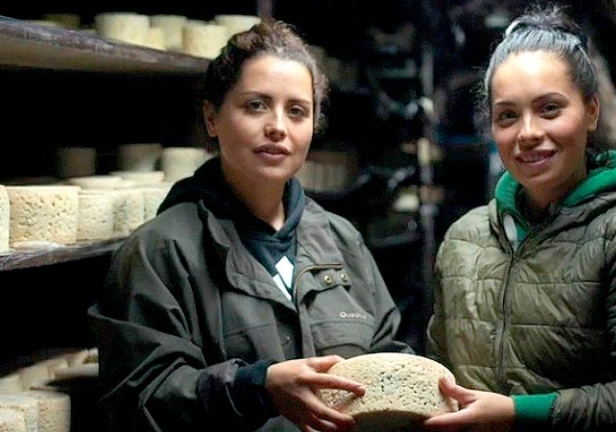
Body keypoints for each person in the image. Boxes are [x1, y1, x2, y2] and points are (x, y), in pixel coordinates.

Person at [87, 19, 412, 432]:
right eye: (256, 105)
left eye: (297, 111)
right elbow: (138, 403)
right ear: (212, 117)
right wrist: (255, 389)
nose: (277, 126)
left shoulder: (342, 241)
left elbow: (388, 363)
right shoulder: (160, 252)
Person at [423, 5, 616, 432]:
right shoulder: (465, 238)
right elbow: (440, 379)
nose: (528, 133)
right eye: (507, 116)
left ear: (591, 111)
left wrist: (517, 414)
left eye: (549, 109)